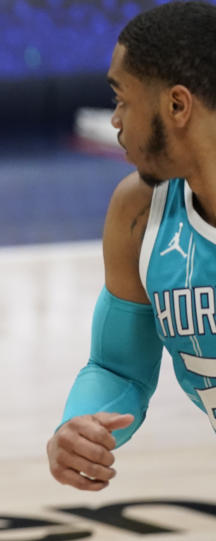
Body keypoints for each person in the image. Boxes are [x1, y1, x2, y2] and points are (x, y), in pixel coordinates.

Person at [47, 1, 216, 492]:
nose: (116, 120)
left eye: (123, 99)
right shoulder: (139, 212)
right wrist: (81, 425)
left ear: (177, 106)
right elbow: (118, 366)